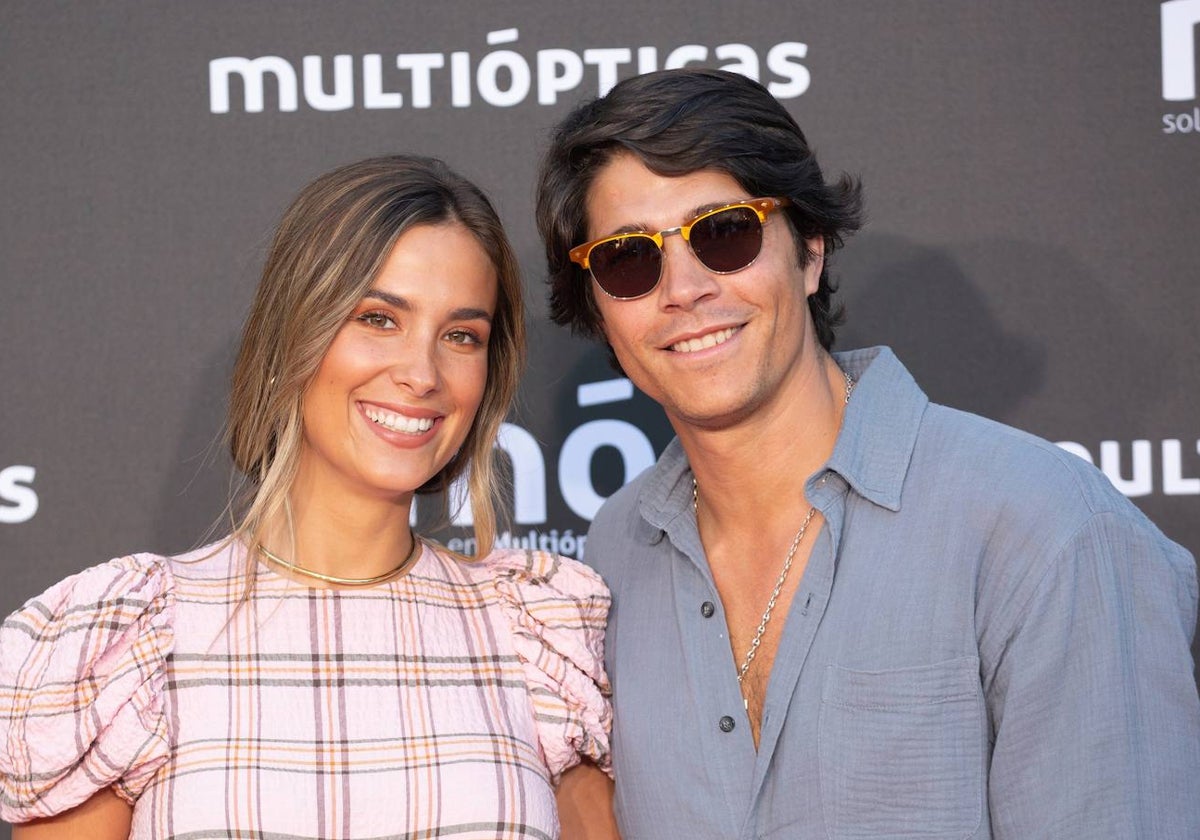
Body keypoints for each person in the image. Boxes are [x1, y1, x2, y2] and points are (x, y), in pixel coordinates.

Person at [536, 68, 1200, 838]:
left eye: (725, 233)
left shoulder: (1046, 530)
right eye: (628, 259)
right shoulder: (613, 553)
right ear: (598, 307)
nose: (681, 288)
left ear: (810, 251)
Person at [0, 155, 616, 839]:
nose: (421, 373)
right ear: (294, 334)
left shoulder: (538, 637)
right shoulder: (135, 641)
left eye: (460, 336)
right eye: (378, 319)